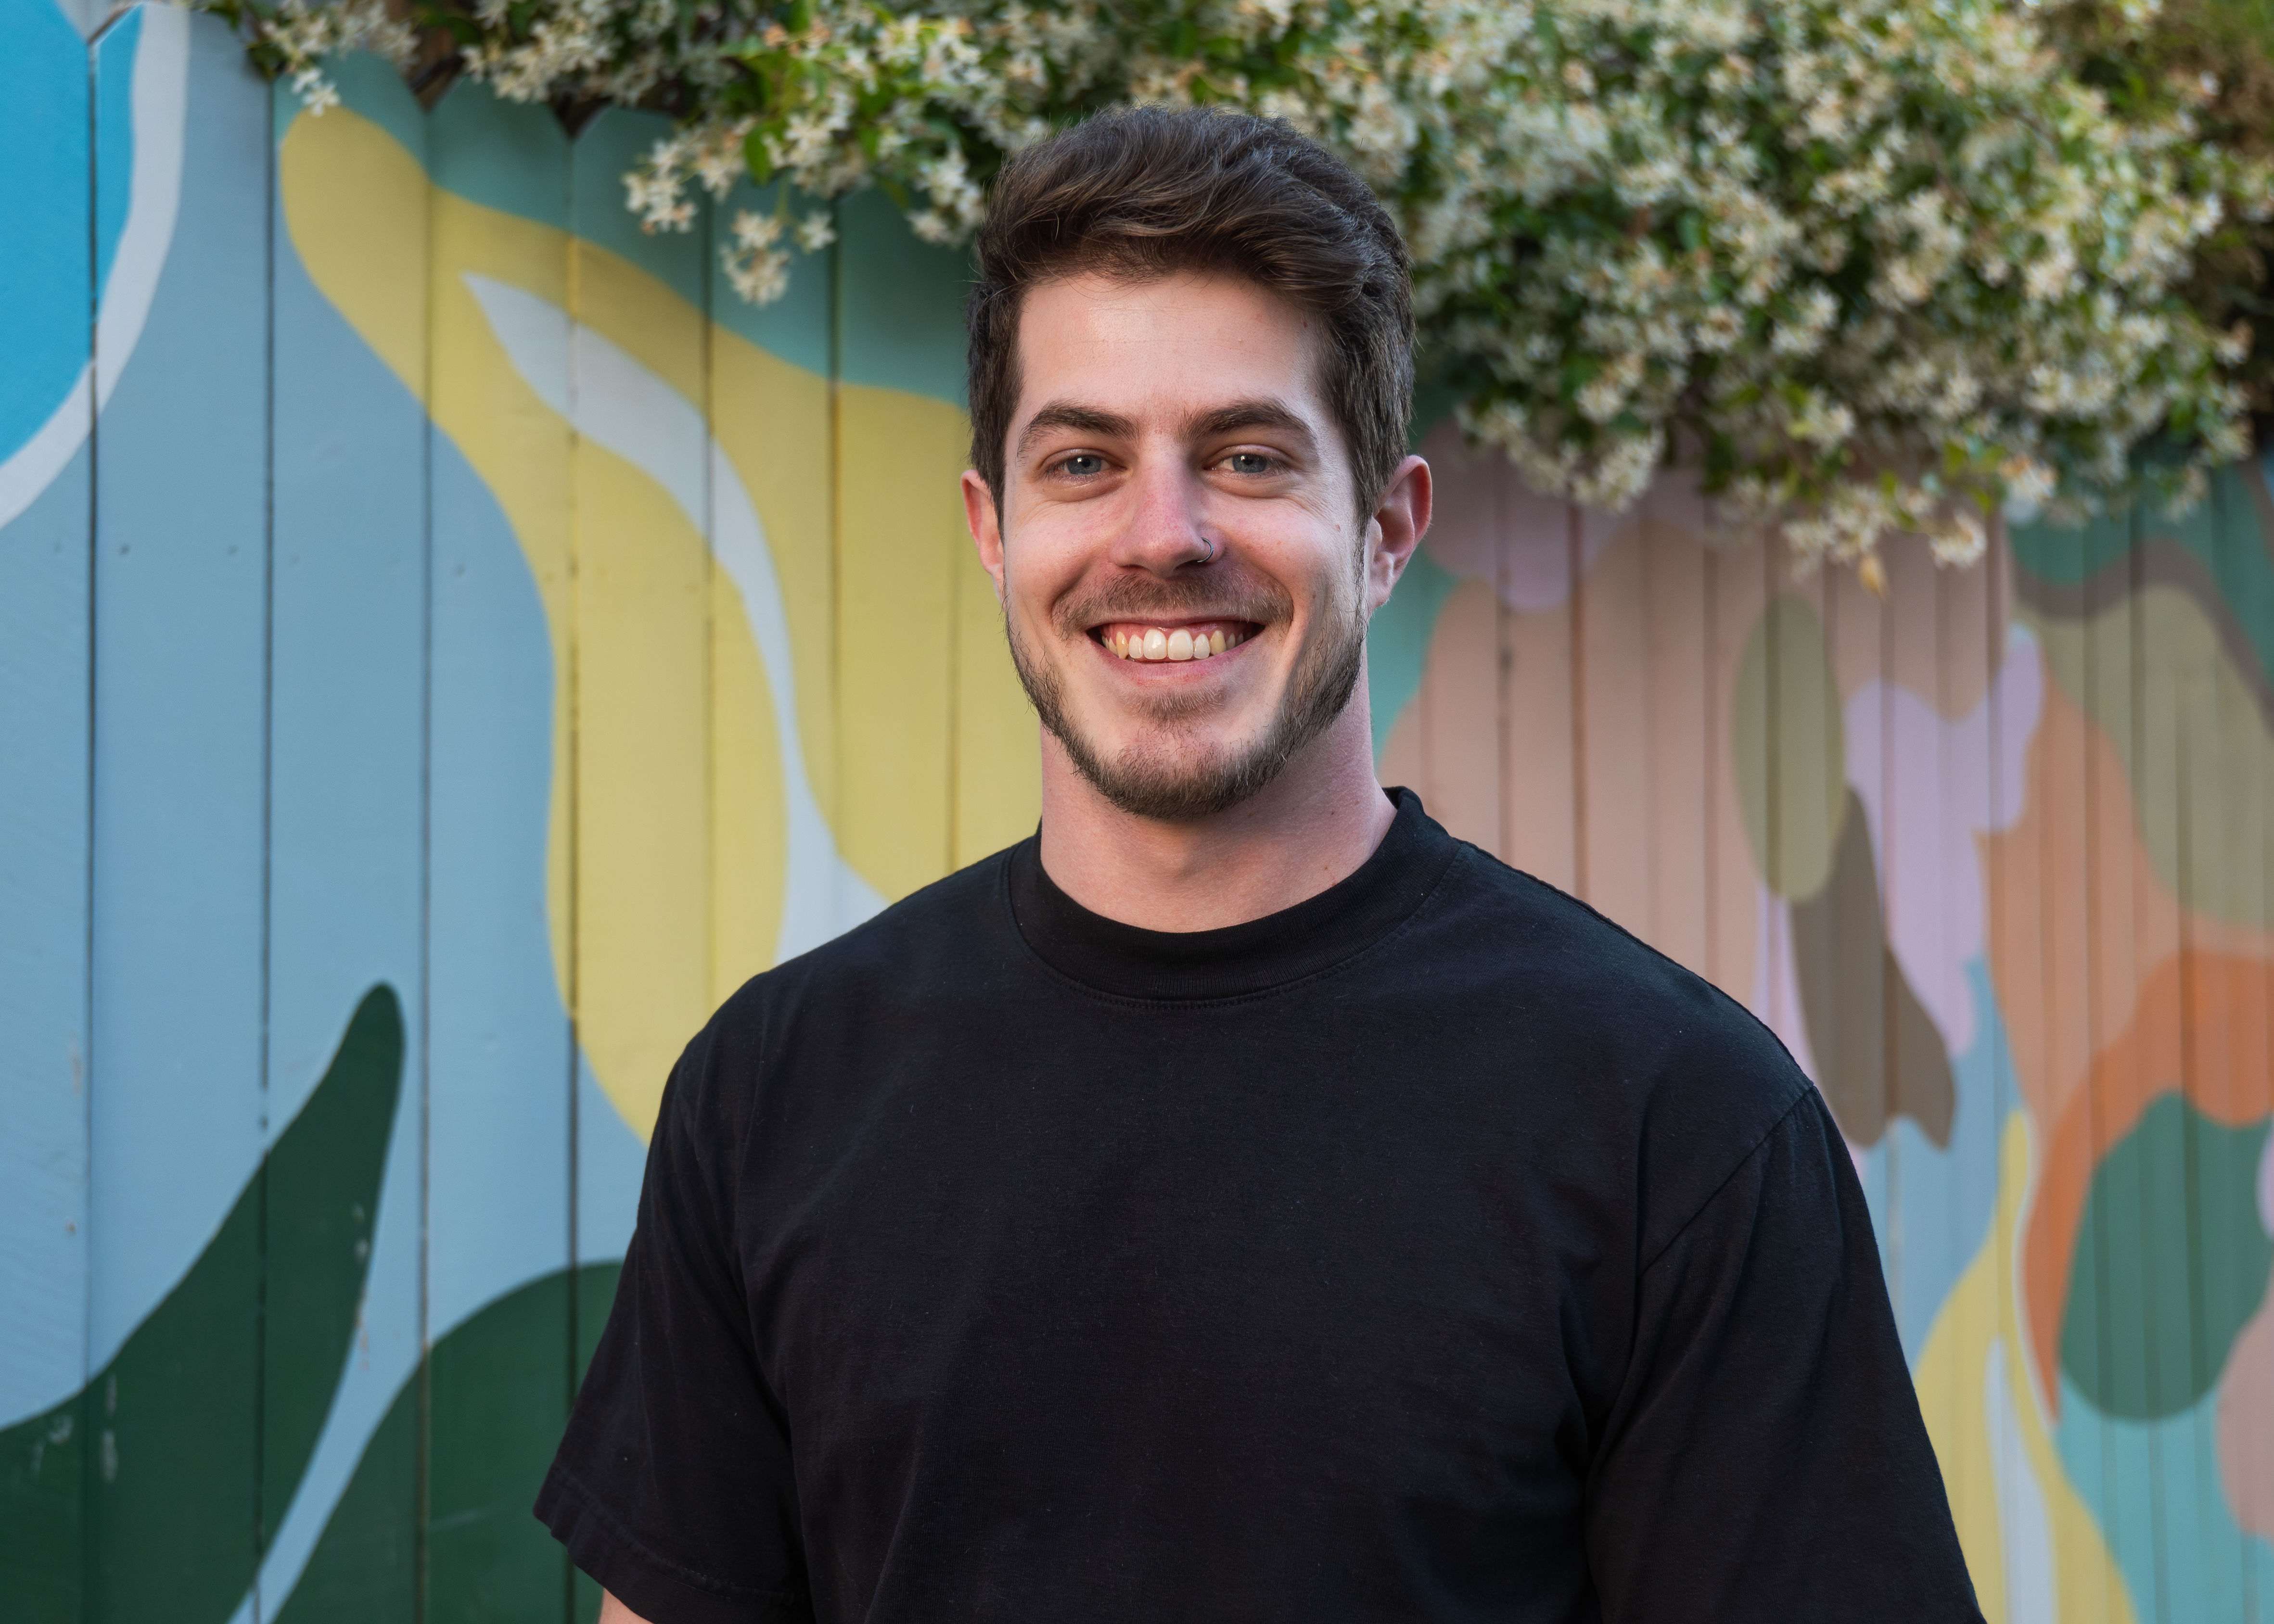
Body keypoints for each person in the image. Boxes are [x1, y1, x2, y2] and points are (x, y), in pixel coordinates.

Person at [536, 105, 1982, 1623]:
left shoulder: (1674, 1123)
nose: (1162, 536)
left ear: (1386, 528)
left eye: (1245, 454)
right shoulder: (776, 1091)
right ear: (993, 528)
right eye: (1084, 460)